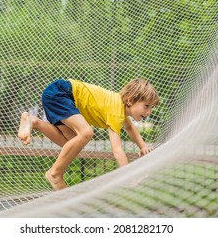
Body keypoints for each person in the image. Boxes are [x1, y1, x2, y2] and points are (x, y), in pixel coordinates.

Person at [18, 78, 160, 191]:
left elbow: (129, 127)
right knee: (86, 132)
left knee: (71, 142)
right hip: (61, 93)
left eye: (151, 107)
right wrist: (129, 177)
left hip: (56, 94)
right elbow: (117, 150)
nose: (149, 112)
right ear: (130, 101)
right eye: (146, 106)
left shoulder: (119, 109)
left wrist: (142, 146)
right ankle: (55, 173)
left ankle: (33, 122)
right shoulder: (116, 111)